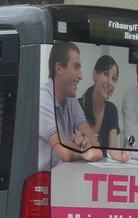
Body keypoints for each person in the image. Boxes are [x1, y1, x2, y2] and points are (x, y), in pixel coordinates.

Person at [38, 41, 103, 170]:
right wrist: (84, 149)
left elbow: (96, 149)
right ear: (59, 68)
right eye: (76, 67)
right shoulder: (42, 96)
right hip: (40, 184)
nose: (81, 76)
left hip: (60, 181)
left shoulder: (71, 100)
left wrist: (79, 147)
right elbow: (65, 152)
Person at [79, 55, 129, 161]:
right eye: (106, 74)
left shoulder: (111, 110)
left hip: (102, 172)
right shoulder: (76, 106)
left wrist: (122, 156)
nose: (110, 82)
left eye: (114, 79)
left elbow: (112, 148)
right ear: (95, 74)